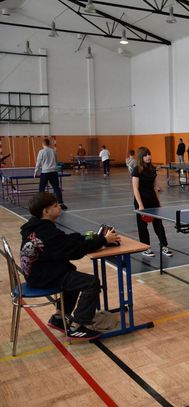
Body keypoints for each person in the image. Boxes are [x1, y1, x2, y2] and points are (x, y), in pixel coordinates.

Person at [20, 192, 121, 340]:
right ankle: (79, 325)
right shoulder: (47, 233)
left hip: (37, 273)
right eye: (55, 205)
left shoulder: (36, 227)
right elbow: (74, 251)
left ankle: (59, 318)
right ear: (46, 211)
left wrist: (90, 238)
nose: (59, 207)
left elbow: (66, 241)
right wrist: (103, 241)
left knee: (72, 275)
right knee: (91, 282)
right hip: (42, 277)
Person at [132, 146, 173, 258]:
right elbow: (135, 188)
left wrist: (158, 202)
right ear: (141, 157)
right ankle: (145, 248)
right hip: (141, 201)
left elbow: (155, 187)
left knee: (158, 224)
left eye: (149, 154)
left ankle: (164, 245)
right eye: (145, 155)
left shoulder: (152, 169)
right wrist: (140, 204)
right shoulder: (136, 170)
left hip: (153, 200)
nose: (148, 157)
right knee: (142, 226)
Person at [34, 138, 67, 210]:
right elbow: (56, 161)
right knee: (56, 188)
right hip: (53, 172)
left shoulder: (41, 151)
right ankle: (60, 203)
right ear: (49, 144)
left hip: (45, 172)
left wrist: (36, 171)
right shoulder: (53, 151)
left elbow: (38, 162)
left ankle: (40, 204)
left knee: (41, 189)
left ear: (43, 144)